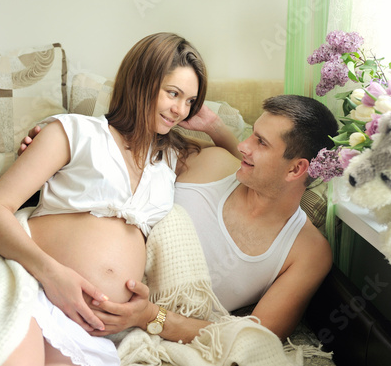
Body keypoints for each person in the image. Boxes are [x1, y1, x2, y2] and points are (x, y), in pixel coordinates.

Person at [0, 32, 236, 366]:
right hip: (35, 289)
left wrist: (212, 125)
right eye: (173, 93)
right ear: (142, 81)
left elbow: (243, 166)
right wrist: (54, 276)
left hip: (90, 328)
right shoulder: (74, 132)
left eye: (190, 101)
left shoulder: (170, 159)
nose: (180, 110)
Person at [17, 94, 338, 344]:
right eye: (251, 134)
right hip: (55, 280)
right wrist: (50, 155)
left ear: (297, 169)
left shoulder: (308, 252)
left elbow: (257, 335)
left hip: (128, 324)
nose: (243, 145)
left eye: (261, 142)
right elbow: (119, 154)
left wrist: (148, 317)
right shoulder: (213, 163)